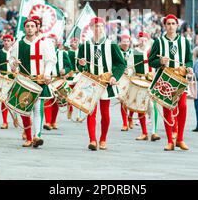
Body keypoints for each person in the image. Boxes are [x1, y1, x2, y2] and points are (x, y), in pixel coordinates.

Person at [77, 17, 127, 151]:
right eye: (95, 26)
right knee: (90, 112)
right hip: (91, 82)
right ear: (91, 28)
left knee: (105, 113)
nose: (98, 29)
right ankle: (92, 140)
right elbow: (79, 66)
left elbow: (121, 64)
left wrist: (114, 77)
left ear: (103, 28)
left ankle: (103, 138)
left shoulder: (111, 45)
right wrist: (81, 65)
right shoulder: (85, 45)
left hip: (106, 83)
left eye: (100, 26)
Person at [149, 14, 194, 151]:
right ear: (165, 26)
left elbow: (189, 59)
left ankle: (180, 139)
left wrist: (189, 67)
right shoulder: (158, 42)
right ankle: (170, 141)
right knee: (167, 109)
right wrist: (160, 61)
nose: (171, 26)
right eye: (168, 24)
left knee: (183, 106)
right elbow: (151, 61)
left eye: (173, 23)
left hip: (180, 79)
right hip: (165, 80)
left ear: (177, 26)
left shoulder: (184, 41)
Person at [11, 17, 56, 148]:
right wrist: (14, 64)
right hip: (24, 80)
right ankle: (29, 137)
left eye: (32, 26)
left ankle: (37, 136)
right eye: (27, 26)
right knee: (24, 110)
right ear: (24, 28)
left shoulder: (44, 43)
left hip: (39, 80)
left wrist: (47, 73)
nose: (30, 28)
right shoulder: (18, 44)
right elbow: (11, 61)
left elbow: (50, 60)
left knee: (37, 109)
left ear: (36, 28)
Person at [133, 31, 160, 142]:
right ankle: (144, 132)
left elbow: (159, 65)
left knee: (153, 107)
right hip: (139, 81)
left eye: (145, 38)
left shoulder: (152, 51)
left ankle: (154, 132)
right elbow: (131, 69)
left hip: (151, 82)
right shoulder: (134, 52)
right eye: (141, 38)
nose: (143, 40)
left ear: (148, 40)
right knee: (140, 107)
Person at [44, 34, 72, 130]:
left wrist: (65, 70)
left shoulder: (62, 54)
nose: (51, 44)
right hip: (47, 80)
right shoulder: (43, 53)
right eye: (49, 42)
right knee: (48, 100)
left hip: (58, 79)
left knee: (56, 101)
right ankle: (47, 122)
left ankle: (53, 121)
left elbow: (69, 66)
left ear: (56, 44)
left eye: (53, 42)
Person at [0, 34, 15, 130]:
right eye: (5, 40)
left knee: (15, 100)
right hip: (3, 78)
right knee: (3, 100)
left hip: (14, 78)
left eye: (8, 40)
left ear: (12, 41)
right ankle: (5, 122)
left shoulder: (15, 52)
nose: (6, 42)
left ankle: (15, 117)